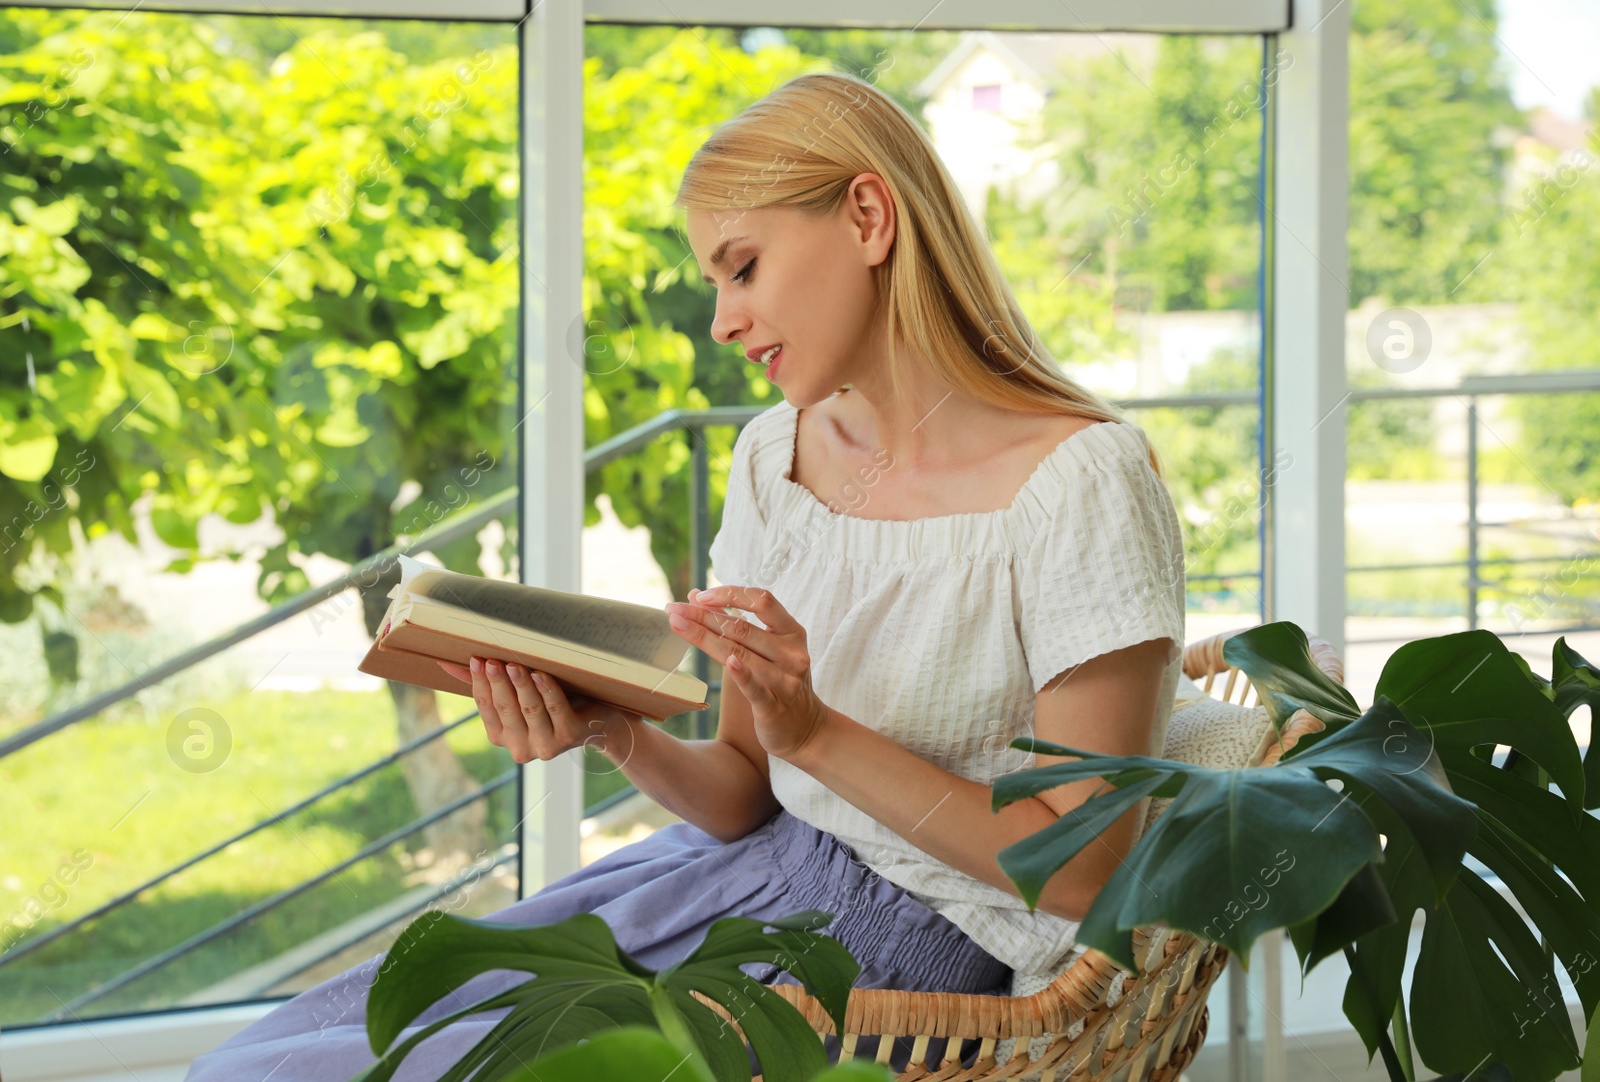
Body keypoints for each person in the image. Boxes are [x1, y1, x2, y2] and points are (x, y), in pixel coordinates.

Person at [186, 69, 1185, 1081]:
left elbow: (1082, 869)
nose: (720, 319)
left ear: (869, 216)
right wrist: (612, 728)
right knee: (285, 1050)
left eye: (741, 267)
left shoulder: (1081, 481)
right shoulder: (772, 456)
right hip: (728, 878)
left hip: (878, 972)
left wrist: (818, 733)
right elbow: (744, 793)